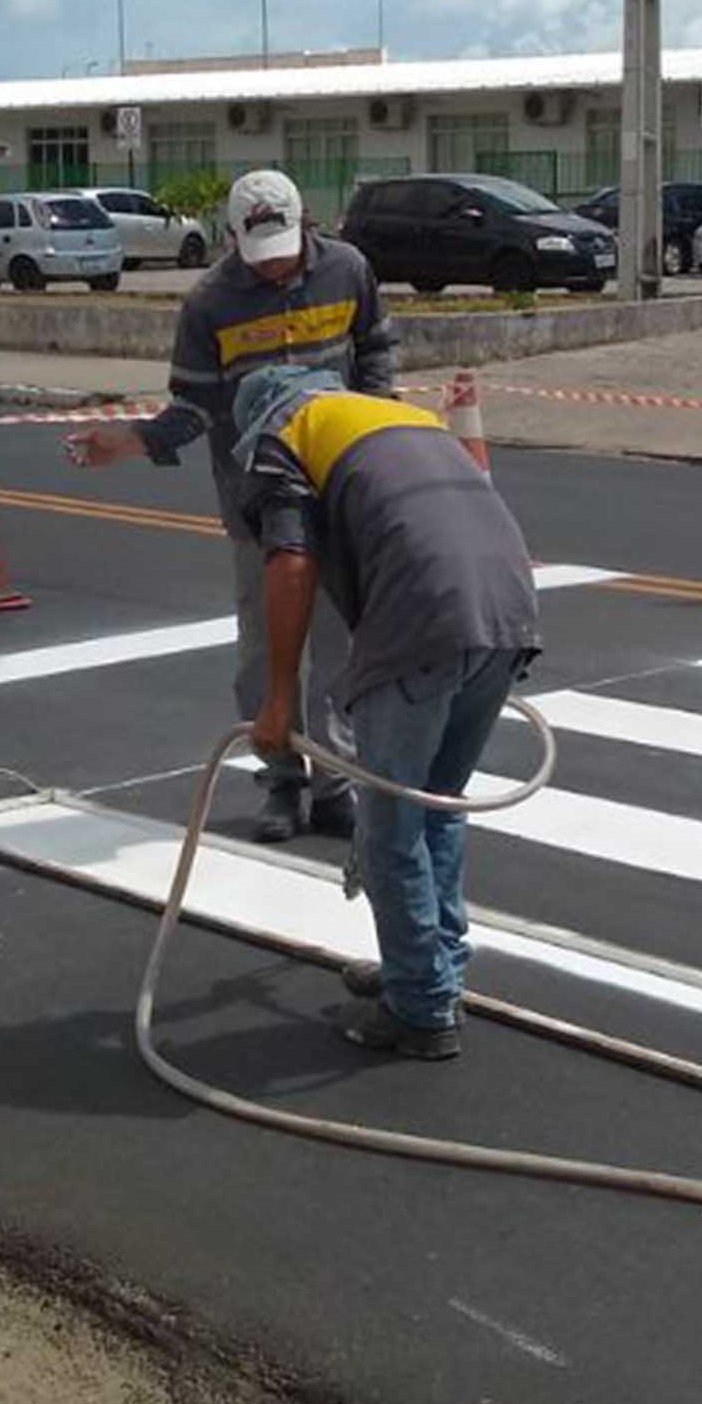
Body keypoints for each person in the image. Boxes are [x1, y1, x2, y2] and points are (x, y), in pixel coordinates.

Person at [65, 169, 397, 842]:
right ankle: (282, 781)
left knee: (341, 648)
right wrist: (133, 440)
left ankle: (335, 782)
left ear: (307, 226)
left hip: (338, 489)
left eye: (285, 255)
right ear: (232, 238)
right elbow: (193, 407)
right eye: (261, 261)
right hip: (258, 504)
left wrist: (378, 430)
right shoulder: (211, 303)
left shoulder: (348, 270)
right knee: (265, 653)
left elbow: (376, 352)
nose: (275, 272)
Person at [233, 365, 540, 1062]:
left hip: (423, 618)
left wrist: (280, 699)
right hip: (509, 608)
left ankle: (423, 1010)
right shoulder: (400, 420)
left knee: (392, 824)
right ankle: (428, 971)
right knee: (436, 805)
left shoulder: (286, 434)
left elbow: (288, 561)